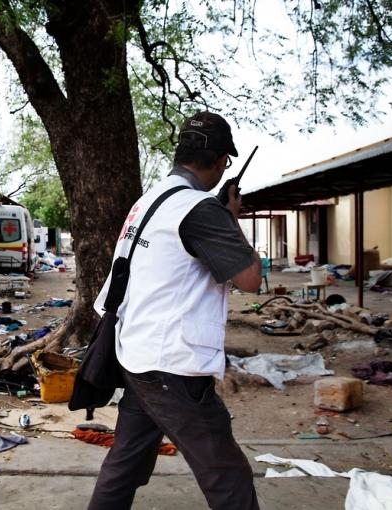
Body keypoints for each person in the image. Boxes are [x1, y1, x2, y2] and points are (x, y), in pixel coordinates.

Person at [88, 111, 262, 510]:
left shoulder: (150, 199)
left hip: (135, 353)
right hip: (172, 366)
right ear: (221, 162)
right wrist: (231, 218)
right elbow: (250, 279)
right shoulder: (202, 209)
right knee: (228, 475)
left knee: (126, 463)